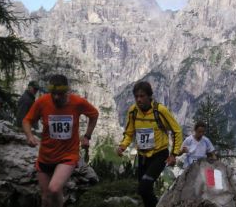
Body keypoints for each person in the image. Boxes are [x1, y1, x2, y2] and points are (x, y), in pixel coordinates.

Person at [22, 74, 99, 207]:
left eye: (60, 94)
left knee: (54, 189)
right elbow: (27, 120)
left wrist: (87, 136)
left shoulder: (78, 102)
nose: (56, 97)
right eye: (53, 94)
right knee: (45, 198)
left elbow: (94, 114)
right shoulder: (42, 102)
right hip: (45, 156)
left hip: (68, 156)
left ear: (67, 91)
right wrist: (29, 136)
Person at [116, 81, 182, 207]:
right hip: (142, 157)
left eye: (142, 96)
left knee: (144, 187)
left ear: (149, 96)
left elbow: (177, 130)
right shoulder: (133, 111)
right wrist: (122, 146)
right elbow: (129, 132)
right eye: (136, 96)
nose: (139, 99)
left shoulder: (160, 110)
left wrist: (174, 154)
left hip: (159, 155)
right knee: (144, 191)